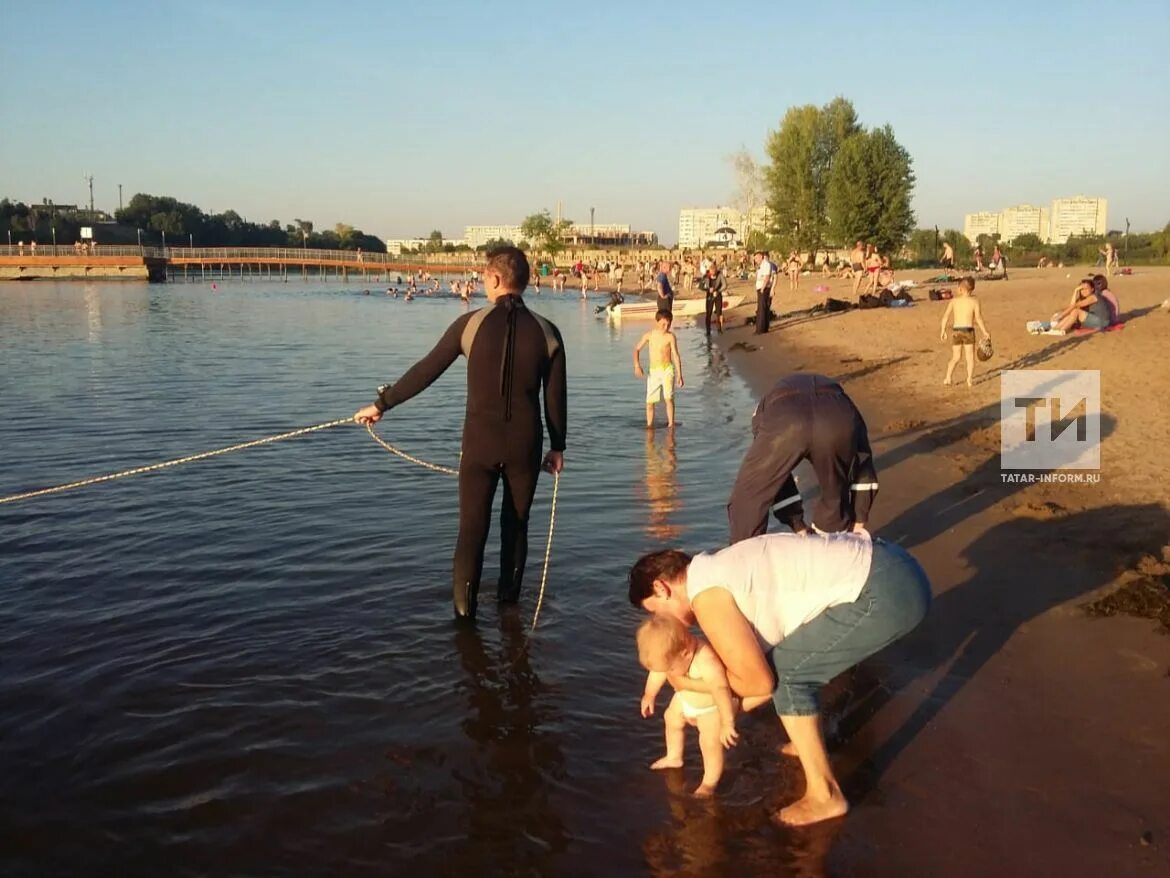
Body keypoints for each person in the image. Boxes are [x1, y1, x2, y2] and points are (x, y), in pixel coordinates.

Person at [628, 532, 932, 825]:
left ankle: (825, 796)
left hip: (886, 591)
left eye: (654, 611)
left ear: (661, 588)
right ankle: (804, 741)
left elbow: (759, 682)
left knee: (791, 673)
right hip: (892, 565)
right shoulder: (711, 567)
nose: (660, 622)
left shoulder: (706, 597)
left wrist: (696, 694)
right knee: (789, 660)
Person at [353, 245, 567, 620]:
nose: (483, 283)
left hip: (479, 446)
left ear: (496, 278)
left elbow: (426, 371)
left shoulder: (470, 325)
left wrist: (382, 404)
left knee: (472, 530)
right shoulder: (548, 333)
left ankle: (464, 622)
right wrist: (557, 446)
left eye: (484, 277)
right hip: (526, 446)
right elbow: (556, 398)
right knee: (516, 527)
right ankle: (509, 612)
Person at [727, 373, 878, 542]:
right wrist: (858, 522)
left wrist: (796, 523)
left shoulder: (761, 412)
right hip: (837, 416)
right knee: (835, 492)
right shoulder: (848, 406)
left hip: (786, 420)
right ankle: (832, 545)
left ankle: (744, 558)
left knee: (749, 497)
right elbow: (864, 461)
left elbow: (776, 479)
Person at [636, 613, 743, 797]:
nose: (669, 673)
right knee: (671, 719)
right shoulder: (674, 657)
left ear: (685, 653)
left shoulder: (704, 659)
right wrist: (649, 694)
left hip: (711, 708)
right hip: (685, 698)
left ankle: (709, 782)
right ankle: (674, 756)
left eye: (670, 669)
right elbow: (658, 672)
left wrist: (727, 722)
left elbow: (720, 688)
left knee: (709, 743)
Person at [634, 310, 684, 428]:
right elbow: (636, 349)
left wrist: (679, 375)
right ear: (657, 322)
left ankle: (671, 424)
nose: (666, 327)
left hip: (667, 369)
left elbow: (676, 355)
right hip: (654, 371)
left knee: (668, 398)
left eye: (668, 324)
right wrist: (637, 365)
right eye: (663, 324)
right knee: (650, 402)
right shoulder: (649, 335)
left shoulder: (670, 337)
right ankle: (649, 425)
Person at [940, 276, 991, 387]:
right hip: (969, 331)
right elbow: (978, 318)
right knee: (970, 358)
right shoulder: (974, 301)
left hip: (957, 331)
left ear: (960, 289)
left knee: (956, 357)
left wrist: (943, 330)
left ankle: (948, 377)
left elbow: (945, 317)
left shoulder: (954, 301)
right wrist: (985, 331)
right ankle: (969, 379)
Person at [1050, 274, 1115, 334]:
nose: (1083, 291)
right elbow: (1072, 305)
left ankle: (1061, 330)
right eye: (1081, 289)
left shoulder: (1093, 297)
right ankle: (1055, 329)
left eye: (1086, 289)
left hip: (1102, 322)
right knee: (1073, 311)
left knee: (1076, 311)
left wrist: (1061, 316)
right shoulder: (1084, 298)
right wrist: (1075, 291)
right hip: (1096, 320)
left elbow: (1075, 305)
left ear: (1092, 289)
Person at [752, 250, 776, 334]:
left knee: (761, 309)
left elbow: (767, 277)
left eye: (756, 258)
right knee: (764, 308)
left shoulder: (766, 265)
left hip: (764, 288)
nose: (755, 260)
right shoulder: (761, 266)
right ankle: (765, 327)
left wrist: (762, 288)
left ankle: (760, 329)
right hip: (761, 288)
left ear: (761, 257)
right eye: (754, 258)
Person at [702, 263, 727, 337]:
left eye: (714, 272)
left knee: (719, 312)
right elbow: (700, 286)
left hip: (718, 295)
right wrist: (707, 289)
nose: (713, 274)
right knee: (708, 313)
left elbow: (725, 285)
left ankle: (719, 329)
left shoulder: (720, 275)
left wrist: (718, 291)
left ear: (716, 271)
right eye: (711, 272)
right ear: (709, 271)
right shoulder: (706, 276)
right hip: (709, 295)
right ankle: (708, 331)